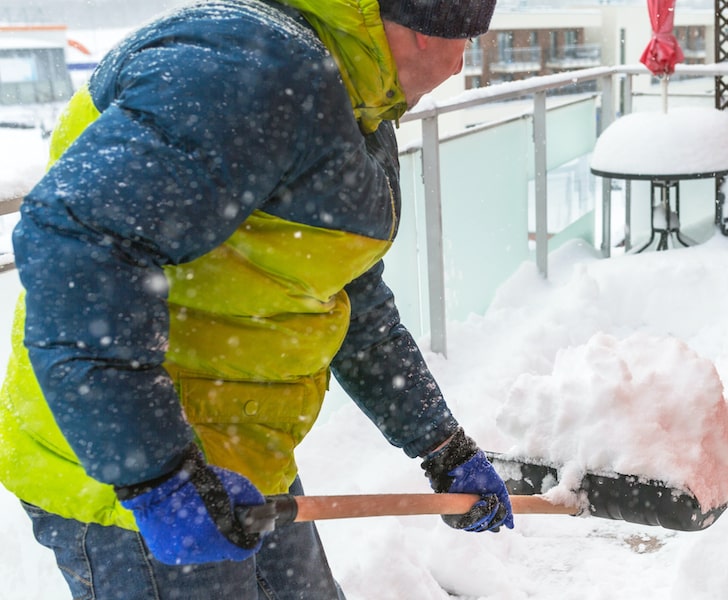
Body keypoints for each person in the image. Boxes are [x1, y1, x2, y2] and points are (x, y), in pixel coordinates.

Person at [0, 0, 512, 597]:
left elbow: (352, 305)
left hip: (240, 459)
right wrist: (158, 476)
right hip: (132, 485)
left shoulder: (356, 109)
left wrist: (443, 445)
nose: (460, 66)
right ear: (427, 33)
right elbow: (78, 241)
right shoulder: (247, 68)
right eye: (467, 44)